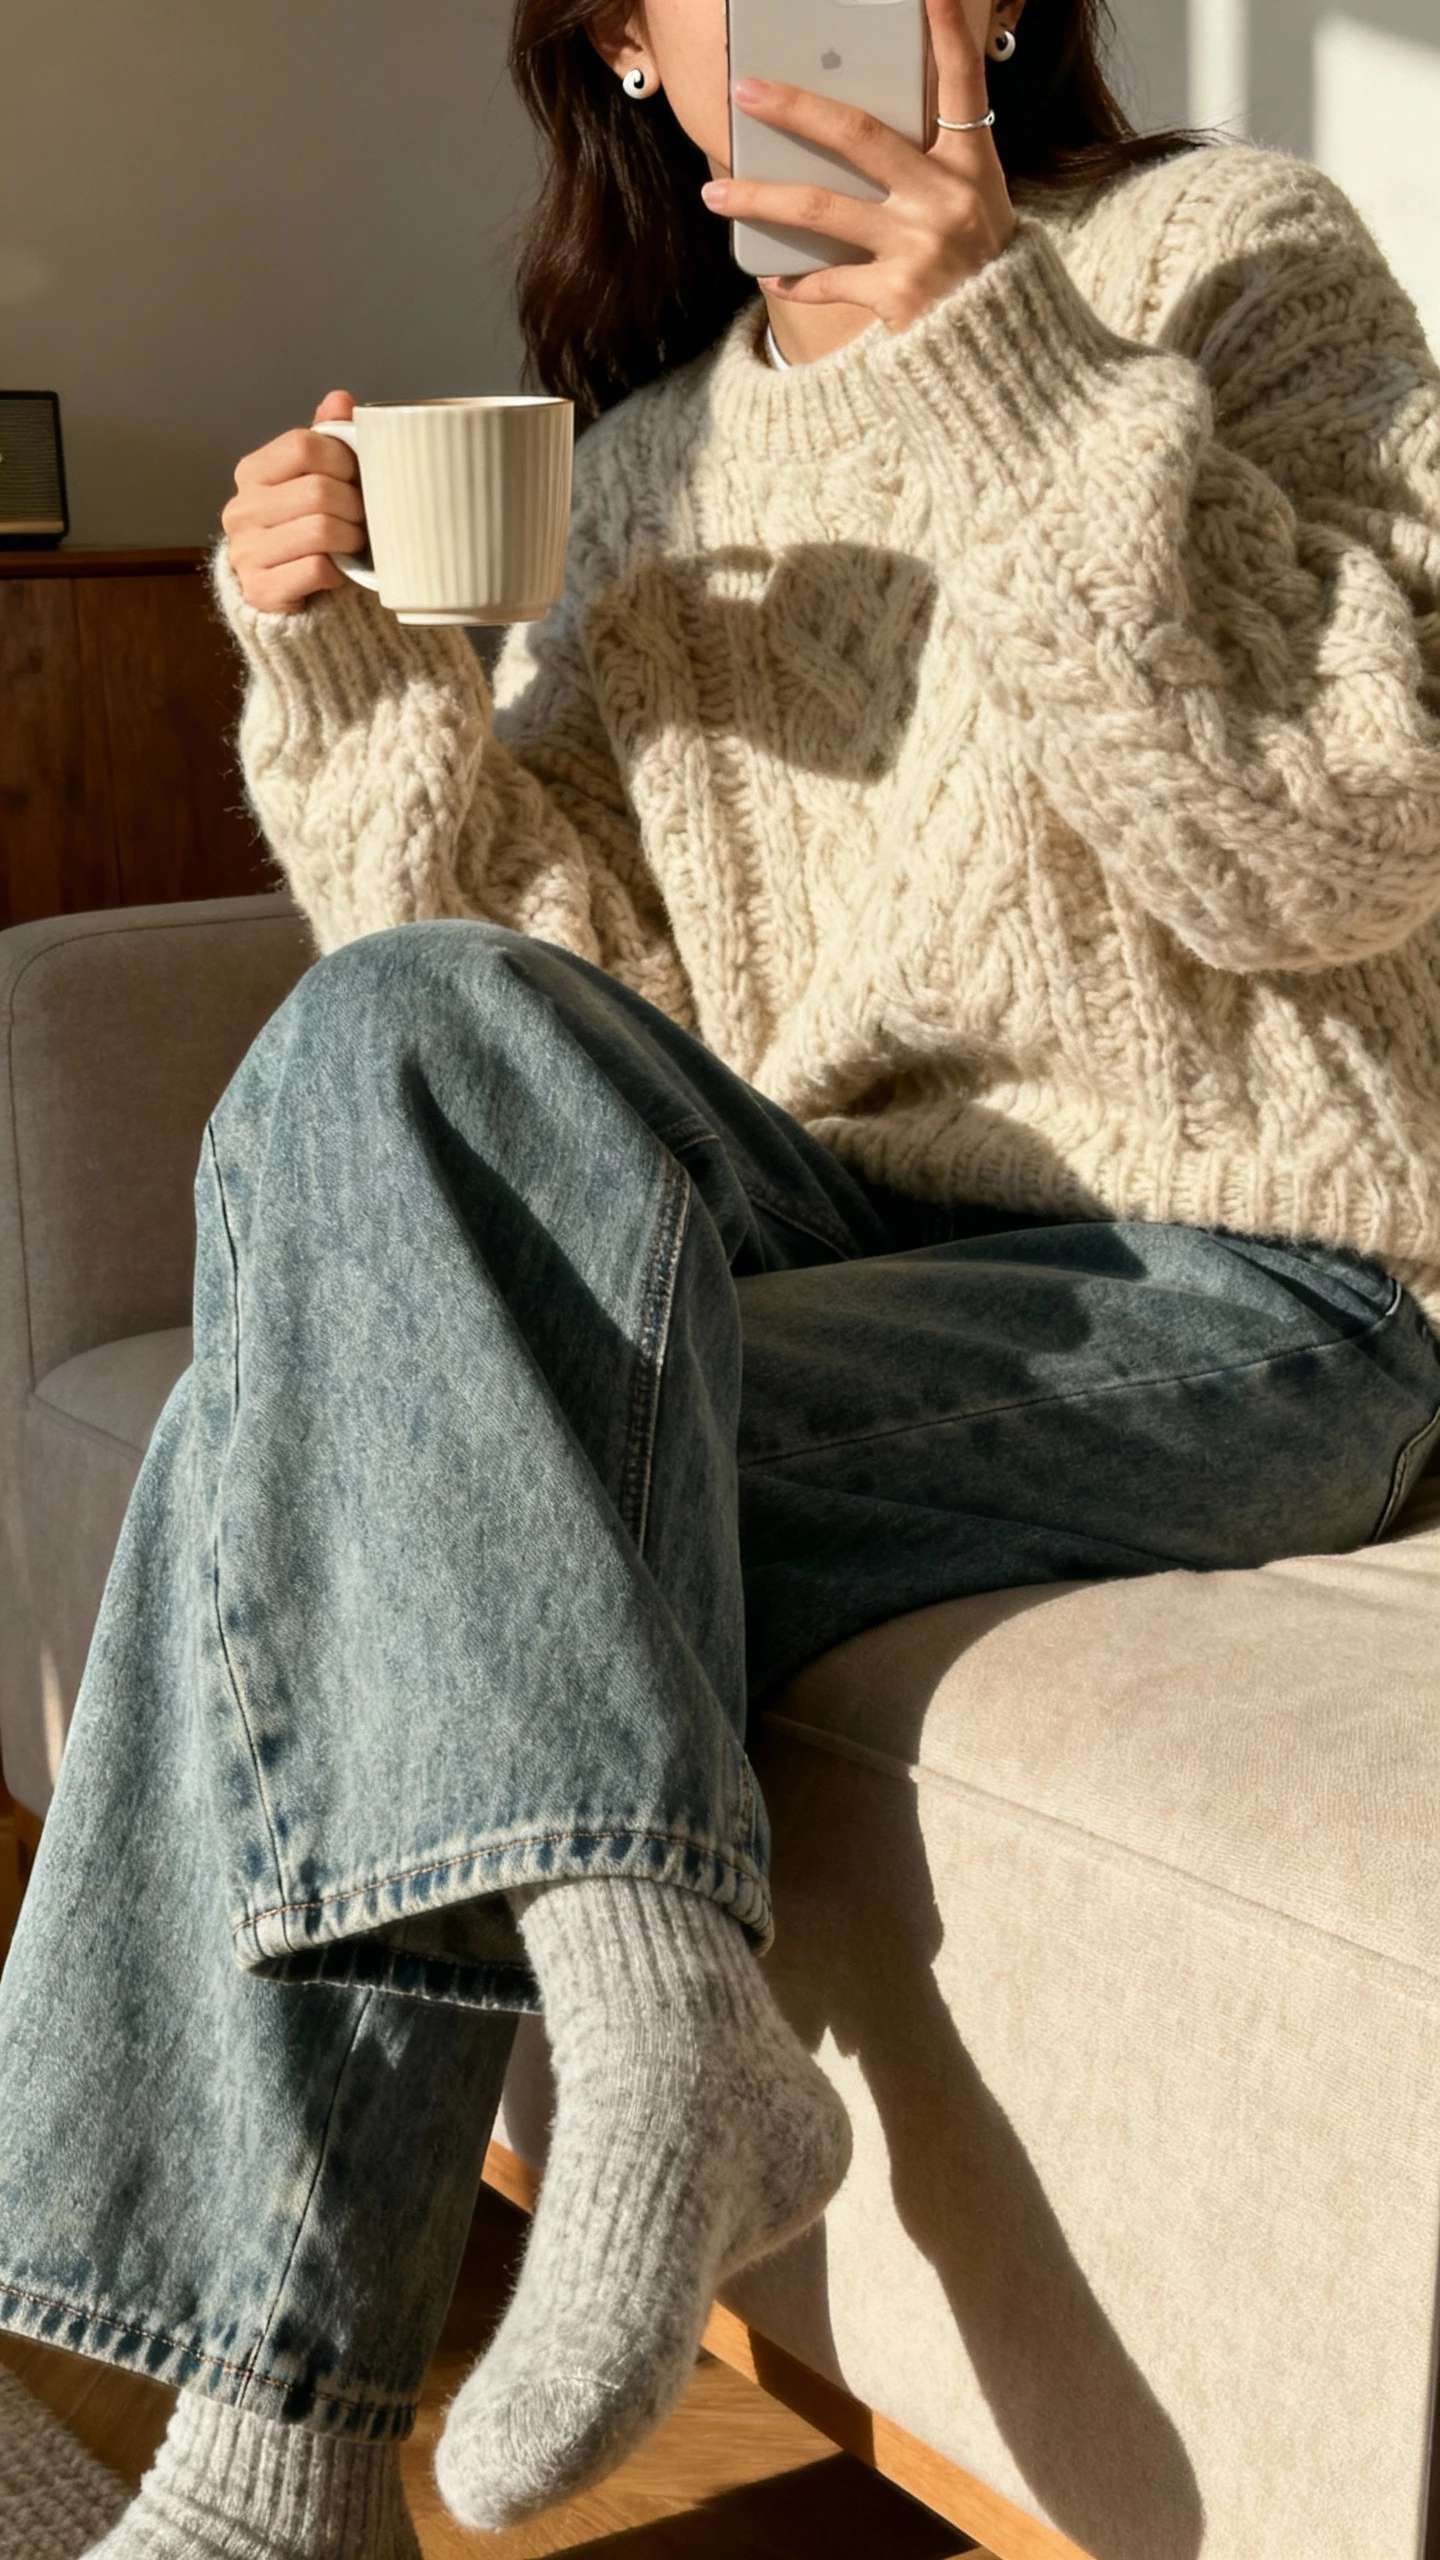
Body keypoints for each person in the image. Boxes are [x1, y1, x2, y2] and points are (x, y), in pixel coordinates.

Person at [4, 0, 1440, 2545]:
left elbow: (1336, 850)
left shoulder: (1241, 260)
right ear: (640, 59)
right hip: (823, 1205)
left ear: (989, 6)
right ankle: (656, 1992)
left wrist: (1004, 367)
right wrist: (359, 673)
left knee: (294, 1431)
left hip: (1251, 1276)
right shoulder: (652, 455)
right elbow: (545, 1022)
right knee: (398, 1031)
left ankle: (261, 2453)